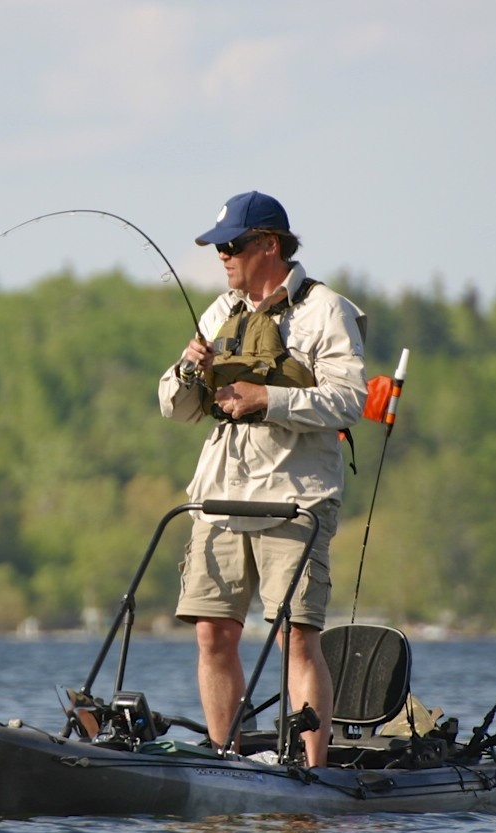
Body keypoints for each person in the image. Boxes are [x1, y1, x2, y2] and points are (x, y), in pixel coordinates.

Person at [158, 191, 367, 767]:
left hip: (295, 501)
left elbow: (350, 400)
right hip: (220, 501)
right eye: (218, 246)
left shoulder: (327, 310)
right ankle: (228, 762)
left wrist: (266, 399)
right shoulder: (220, 312)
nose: (221, 255)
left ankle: (313, 771)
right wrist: (186, 370)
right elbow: (174, 408)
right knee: (213, 635)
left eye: (232, 245)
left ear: (268, 245)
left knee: (295, 636)